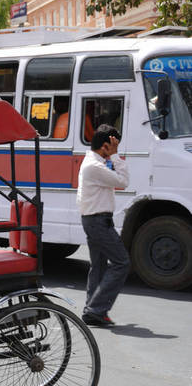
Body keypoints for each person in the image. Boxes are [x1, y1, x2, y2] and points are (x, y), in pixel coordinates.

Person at [76, 124, 130, 327]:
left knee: (98, 266)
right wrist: (115, 156)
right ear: (106, 146)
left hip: (95, 220)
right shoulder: (95, 166)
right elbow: (123, 181)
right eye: (113, 146)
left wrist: (111, 156)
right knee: (121, 262)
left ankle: (92, 310)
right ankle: (95, 309)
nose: (114, 151)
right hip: (98, 221)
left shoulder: (94, 162)